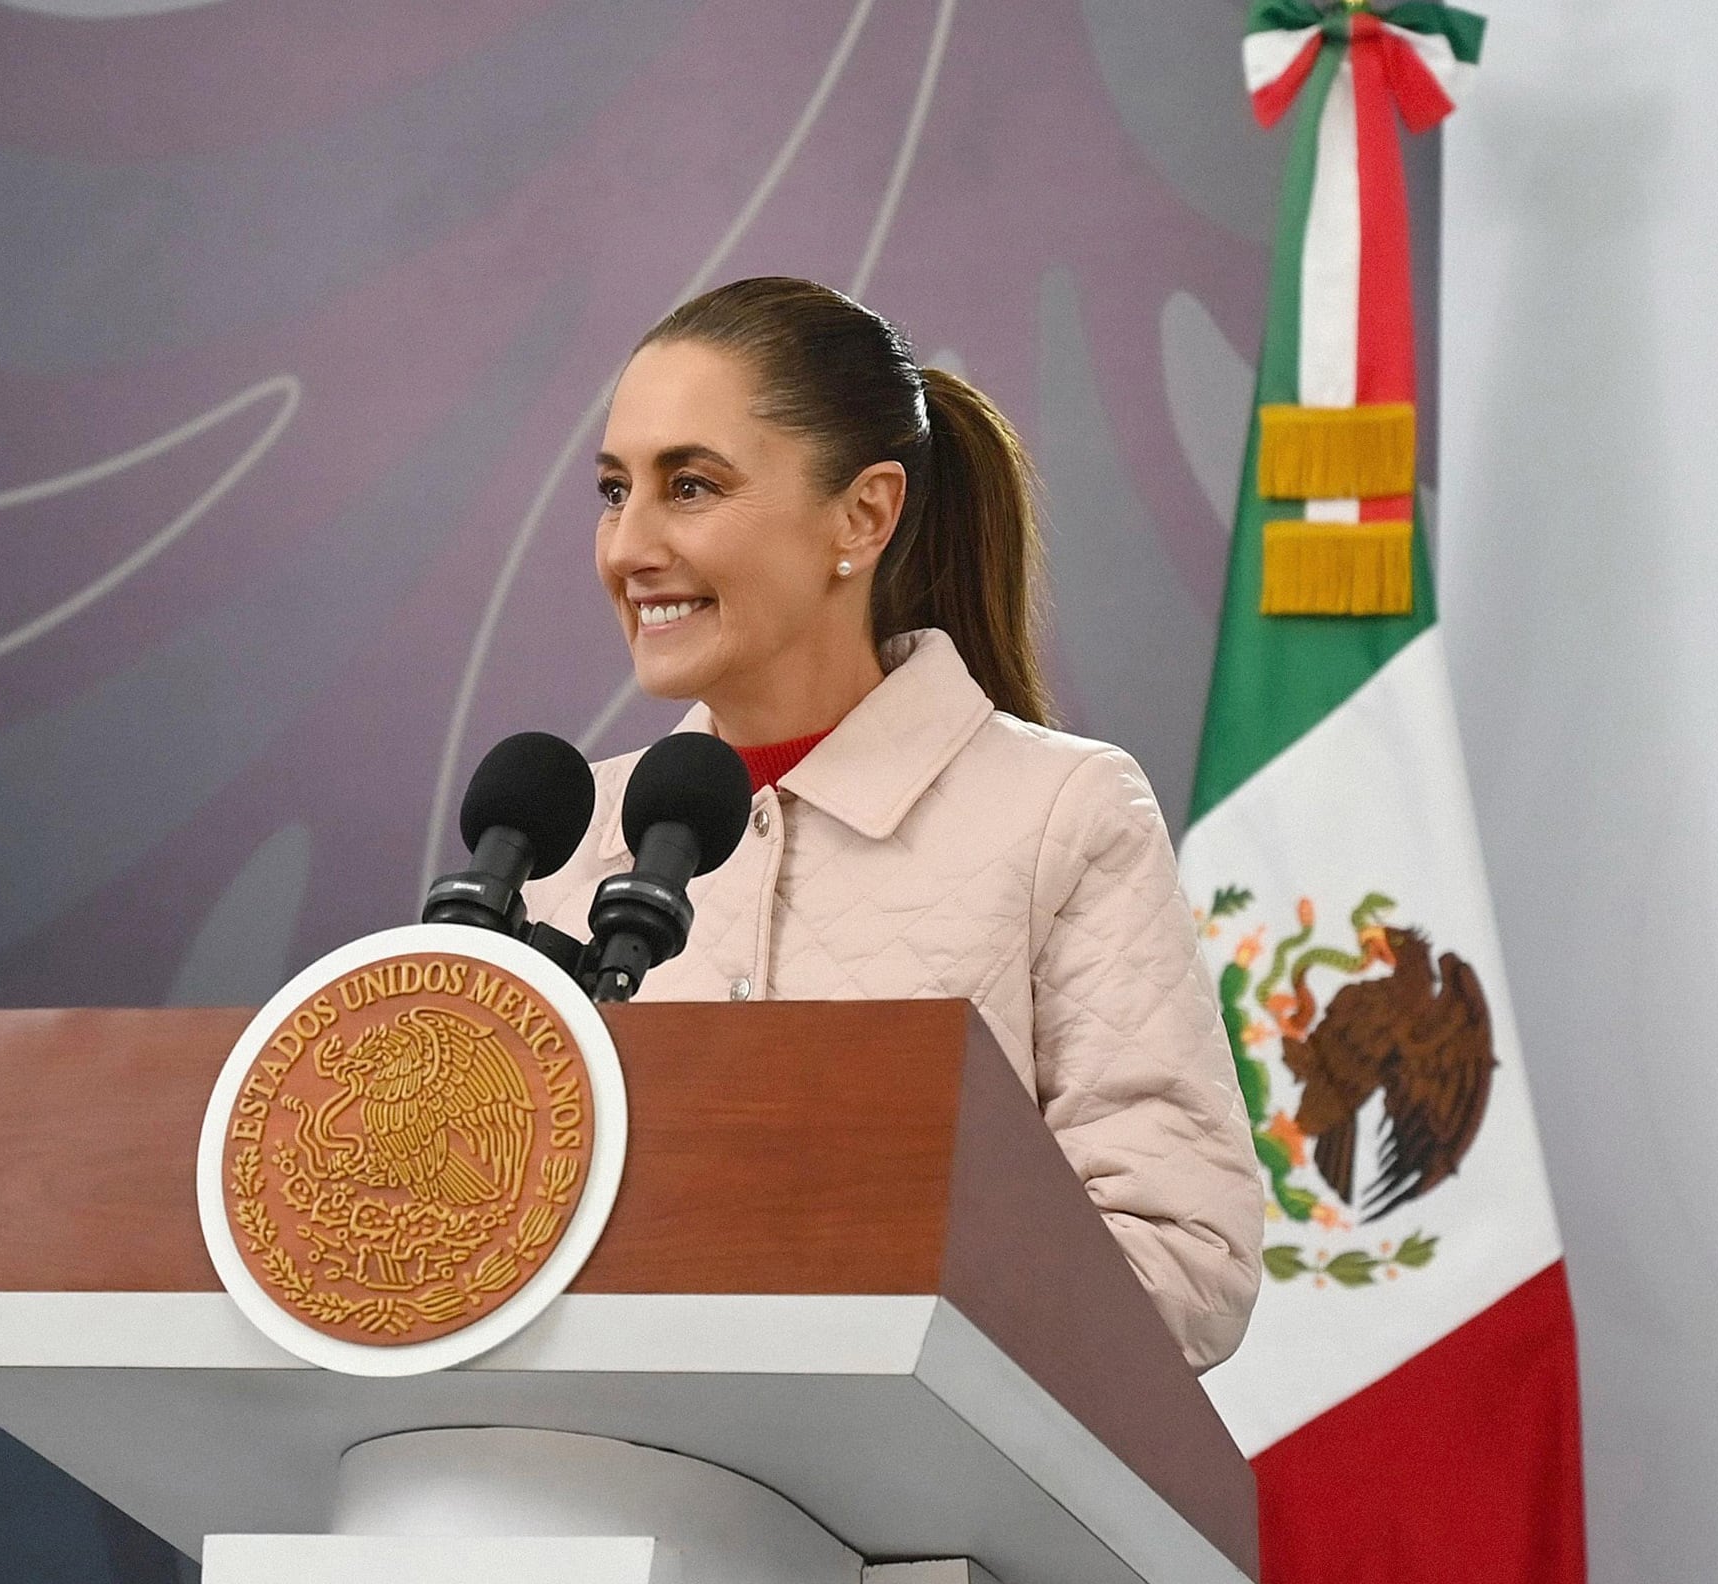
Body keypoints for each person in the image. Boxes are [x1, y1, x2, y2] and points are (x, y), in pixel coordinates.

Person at [524, 277, 1260, 1369]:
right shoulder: (568, 838)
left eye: (688, 487)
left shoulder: (1063, 812)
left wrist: (836, 1295)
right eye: (611, 488)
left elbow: (1184, 1261)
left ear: (863, 515)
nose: (627, 546)